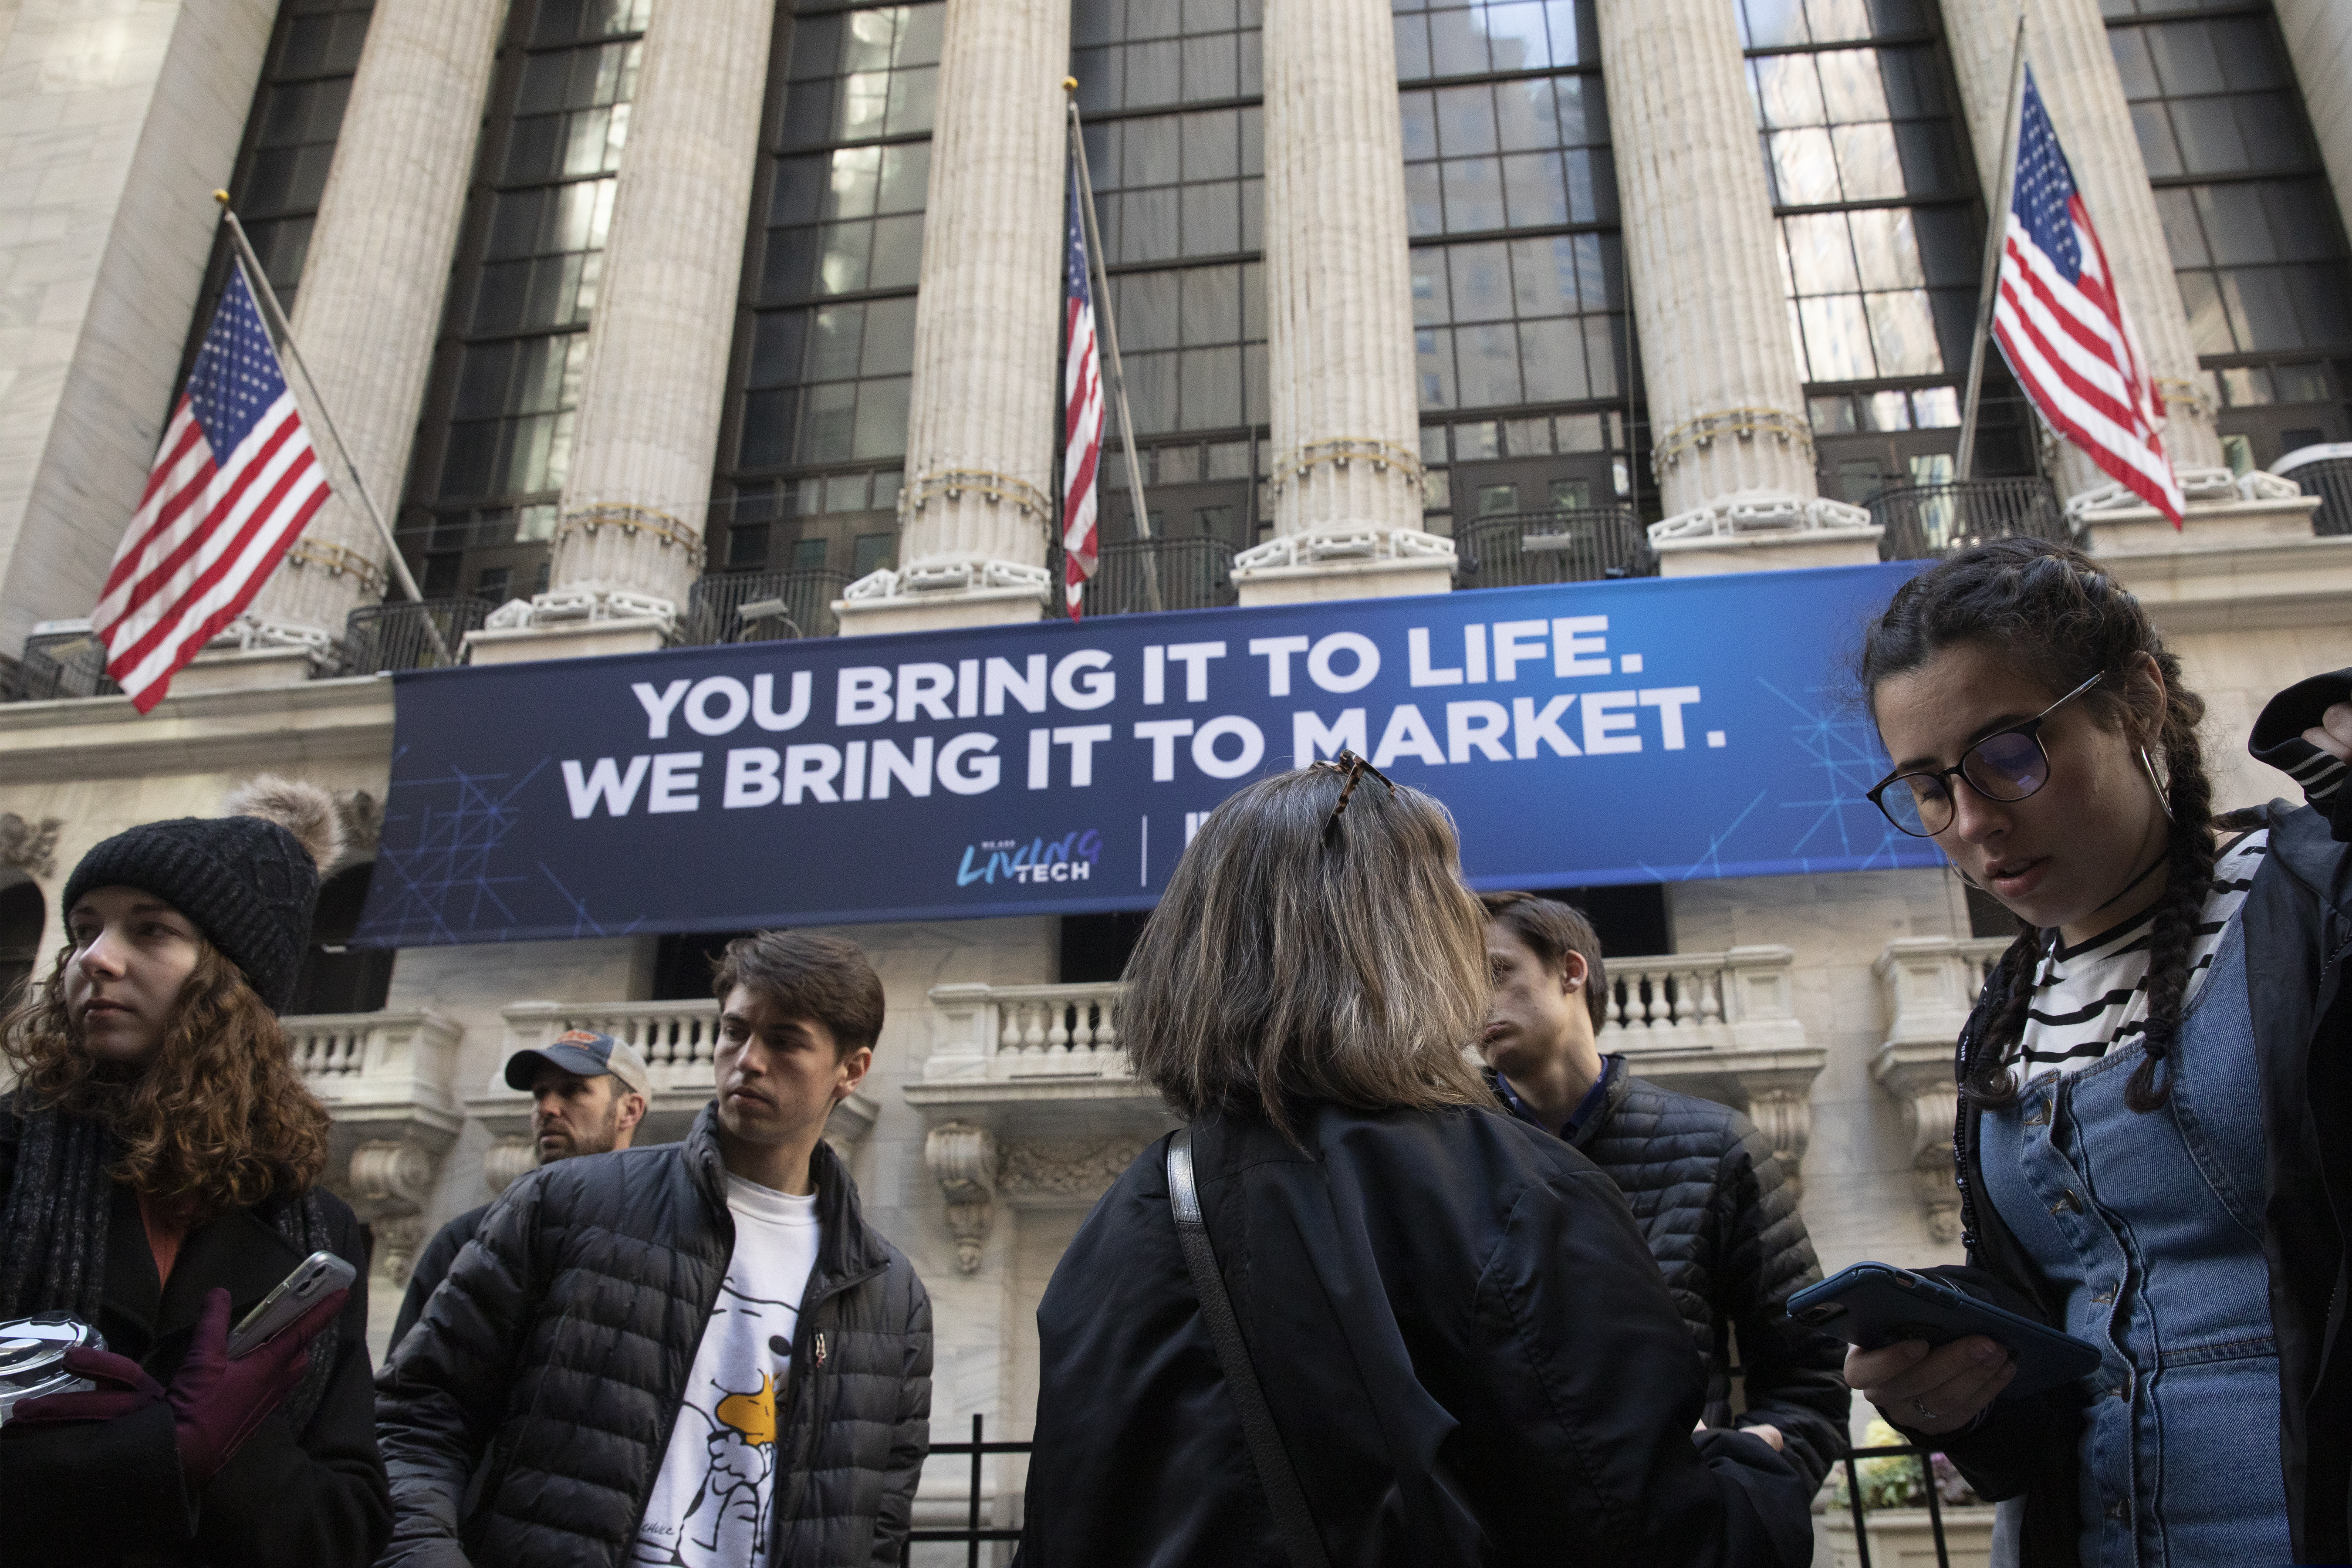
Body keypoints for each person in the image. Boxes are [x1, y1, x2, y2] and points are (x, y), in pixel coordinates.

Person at [1016, 757, 1814, 1568]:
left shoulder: (1113, 1229)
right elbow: (1670, 1544)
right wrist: (1754, 1474)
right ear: (1412, 941)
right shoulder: (1518, 1194)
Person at [1844, 537, 2352, 1566]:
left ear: (2135, 703)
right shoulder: (2003, 1015)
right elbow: (2059, 1361)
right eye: (1929, 786)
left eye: (2010, 752)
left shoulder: (2316, 905)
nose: (1975, 820)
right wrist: (1963, 1394)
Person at [375, 929, 931, 1568]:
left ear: (851, 1071)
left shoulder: (891, 1294)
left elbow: (878, 1531)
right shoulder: (563, 1204)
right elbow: (418, 1417)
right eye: (734, 1031)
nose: (748, 1060)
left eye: (784, 1041)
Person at [0, 778, 391, 1565]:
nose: (93, 960)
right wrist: (159, 1454)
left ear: (230, 983)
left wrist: (244, 1451)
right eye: (84, 930)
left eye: (150, 931)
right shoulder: (11, 1162)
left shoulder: (318, 1228)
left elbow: (348, 1526)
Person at [1477, 891, 1850, 1493]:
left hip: (1679, 1530)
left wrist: (1750, 1492)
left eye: (1496, 972)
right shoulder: (1439, 1155)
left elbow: (1812, 1368)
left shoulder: (1717, 1145)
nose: (1474, 1000)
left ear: (1571, 971)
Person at [385, 1029, 649, 1353]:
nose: (548, 1108)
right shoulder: (468, 1239)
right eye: (540, 1094)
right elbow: (408, 1383)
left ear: (630, 1110)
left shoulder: (668, 1239)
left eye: (572, 1090)